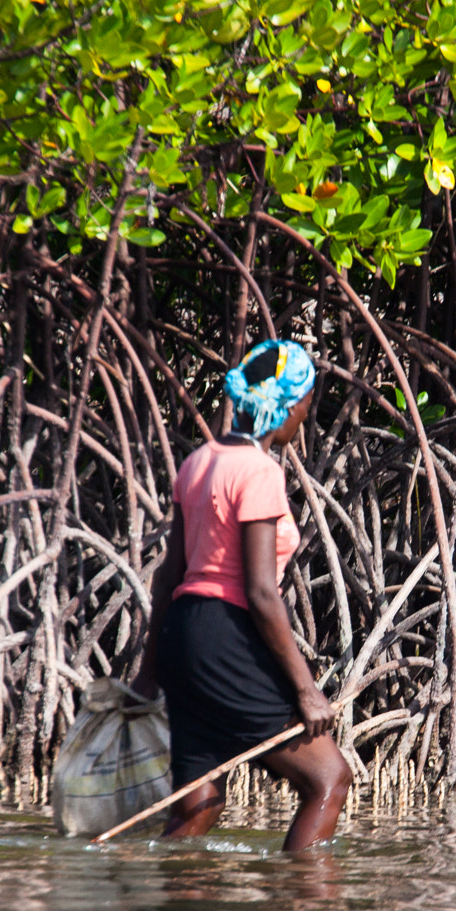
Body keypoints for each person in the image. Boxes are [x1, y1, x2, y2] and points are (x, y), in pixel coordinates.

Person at [130, 339, 350, 851]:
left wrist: (149, 672)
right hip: (225, 638)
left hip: (182, 636)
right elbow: (260, 593)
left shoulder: (198, 461)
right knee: (328, 780)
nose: (304, 418)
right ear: (289, 405)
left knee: (198, 805)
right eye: (306, 406)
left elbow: (169, 576)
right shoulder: (261, 472)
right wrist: (305, 690)